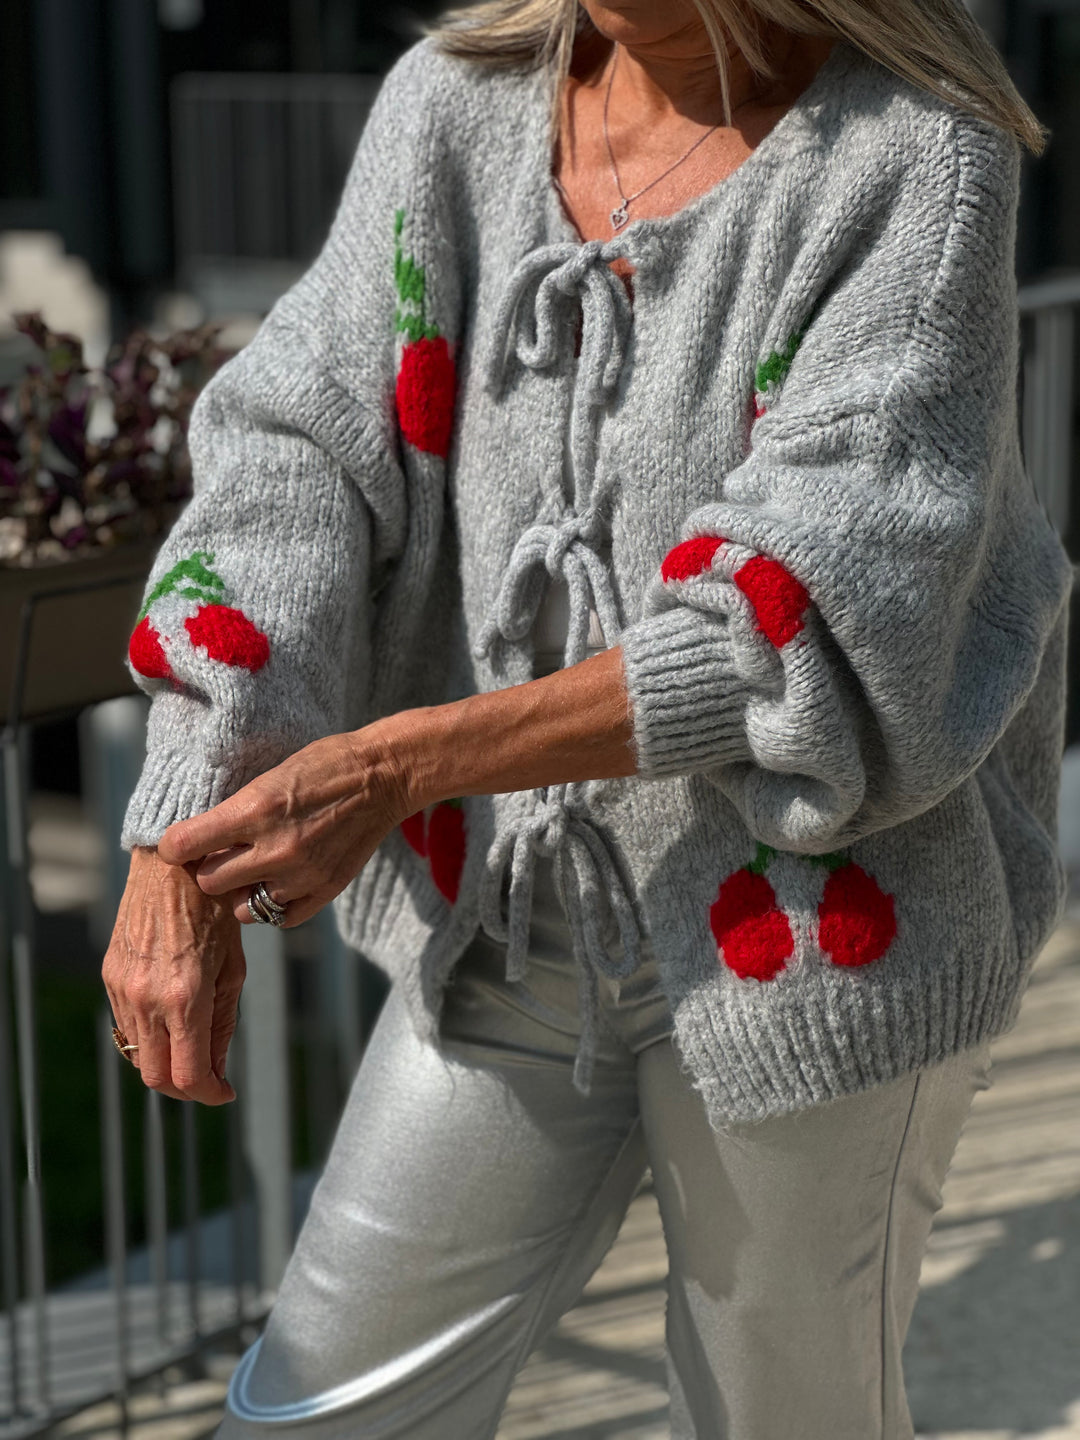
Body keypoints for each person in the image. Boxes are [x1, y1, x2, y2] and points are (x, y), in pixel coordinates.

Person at [102, 0, 1072, 1434]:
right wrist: (178, 820)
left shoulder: (920, 149)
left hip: (813, 925)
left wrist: (399, 761)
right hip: (520, 906)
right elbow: (293, 459)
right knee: (309, 1409)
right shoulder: (455, 104)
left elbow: (818, 585)